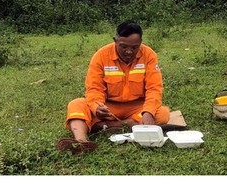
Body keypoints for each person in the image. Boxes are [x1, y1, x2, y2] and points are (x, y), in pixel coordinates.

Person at [57, 20, 171, 154]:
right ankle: (82, 142)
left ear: (140, 43)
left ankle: (102, 126)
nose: (129, 51)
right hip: (108, 108)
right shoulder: (101, 55)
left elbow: (154, 88)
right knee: (76, 104)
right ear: (115, 40)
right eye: (123, 46)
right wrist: (97, 107)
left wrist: (149, 112)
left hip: (136, 108)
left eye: (135, 48)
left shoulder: (149, 55)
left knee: (162, 113)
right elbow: (94, 88)